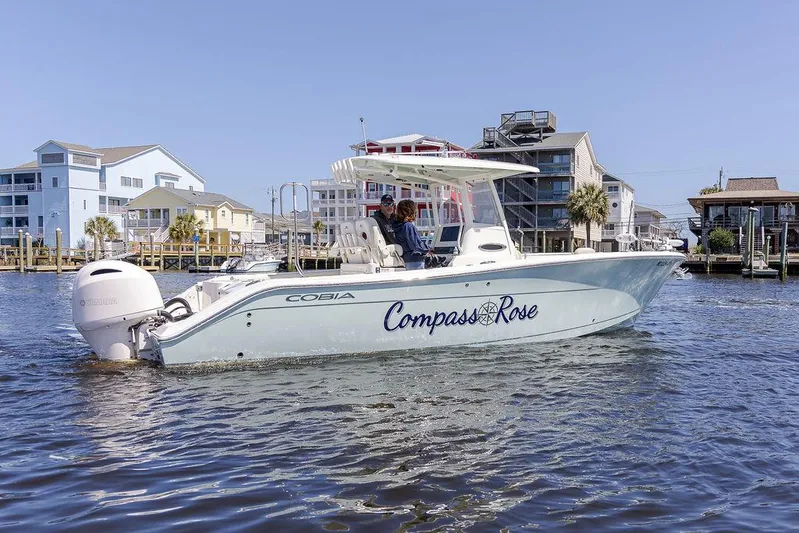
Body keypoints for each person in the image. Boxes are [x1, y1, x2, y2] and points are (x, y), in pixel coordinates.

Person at [393, 199, 431, 270]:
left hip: (407, 259)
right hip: (415, 259)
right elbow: (415, 244)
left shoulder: (397, 226)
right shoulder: (408, 226)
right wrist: (429, 249)